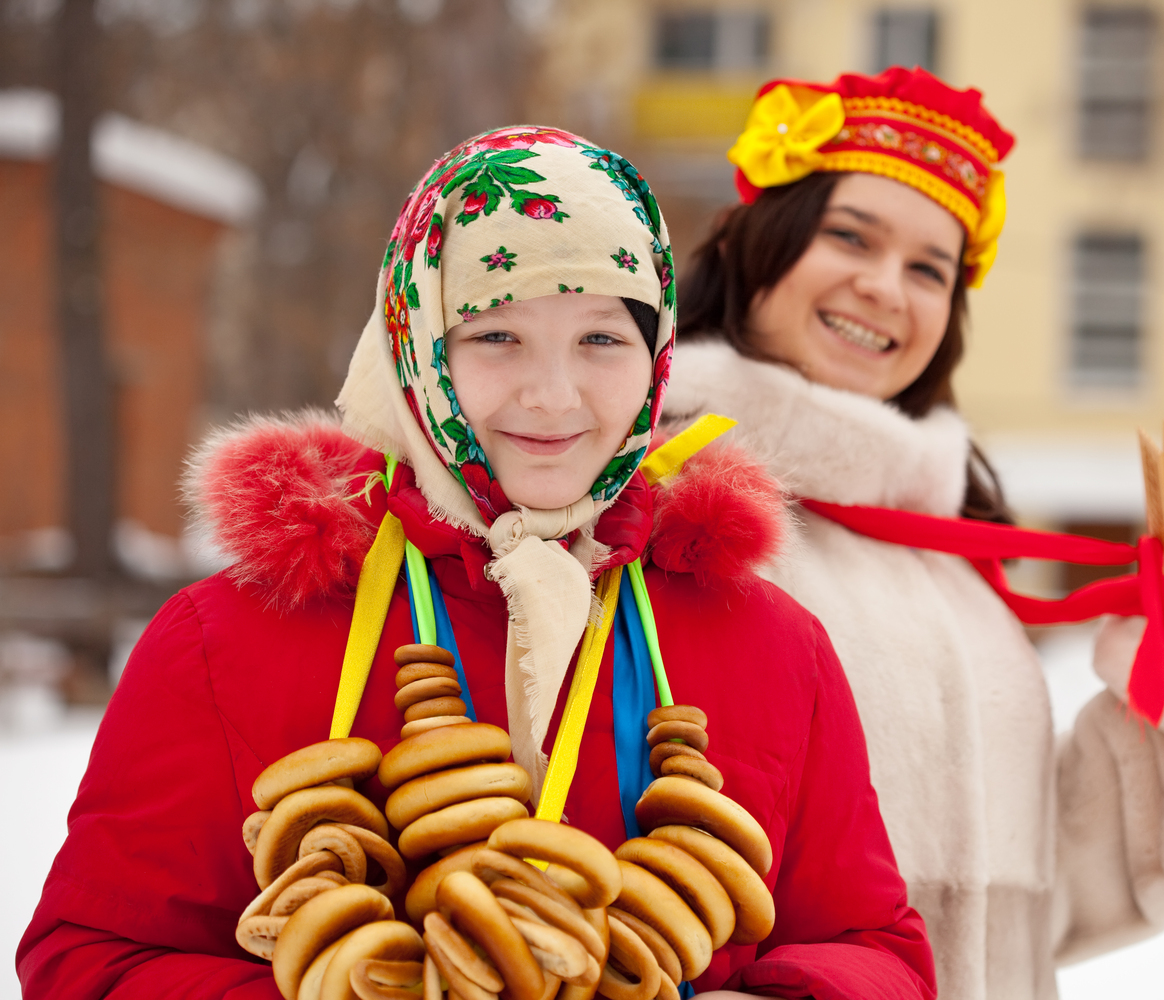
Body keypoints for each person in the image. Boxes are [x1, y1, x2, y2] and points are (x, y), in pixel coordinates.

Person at [17, 127, 935, 1000]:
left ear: (657, 357)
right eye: (496, 335)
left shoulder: (771, 643)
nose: (553, 393)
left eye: (602, 339)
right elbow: (91, 959)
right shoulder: (230, 636)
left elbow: (878, 951)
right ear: (417, 346)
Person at [666, 67, 1164, 1000]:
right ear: (749, 244)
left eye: (930, 269)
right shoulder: (663, 505)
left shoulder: (952, 564)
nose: (885, 287)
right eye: (850, 236)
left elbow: (1034, 907)